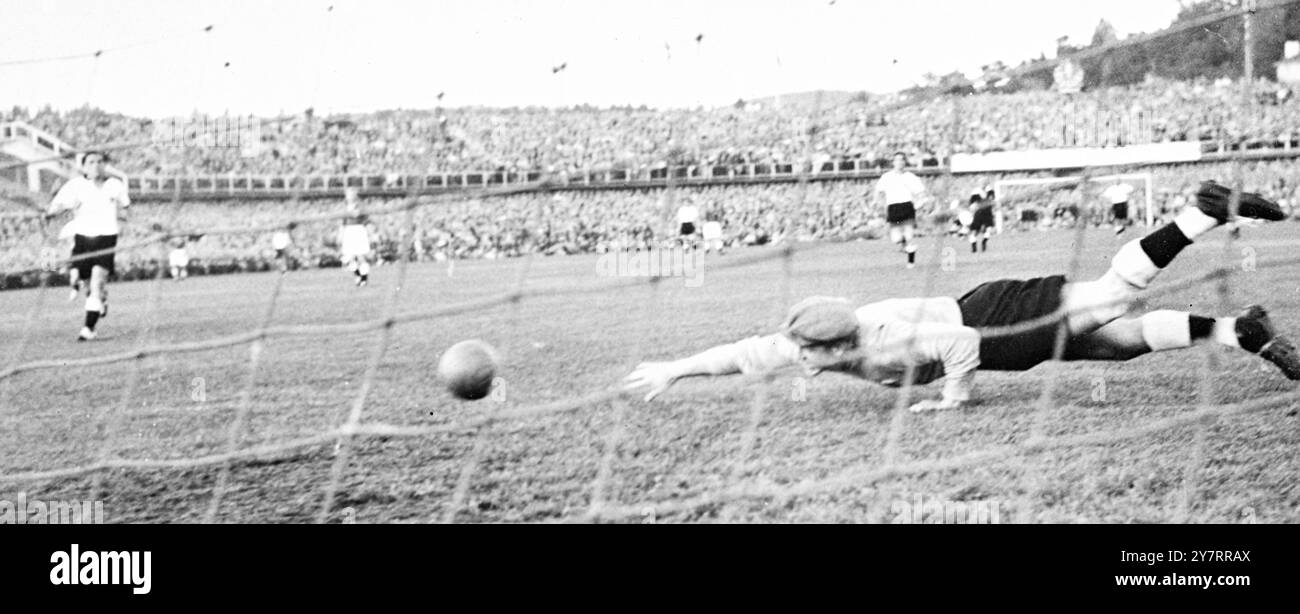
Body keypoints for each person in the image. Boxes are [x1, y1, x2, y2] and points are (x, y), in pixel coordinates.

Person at [624, 181, 1299, 411]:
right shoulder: (819, 337)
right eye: (799, 351)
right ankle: (1242, 330)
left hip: (997, 321)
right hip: (991, 316)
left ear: (840, 343)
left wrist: (951, 401)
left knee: (1114, 298)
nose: (797, 362)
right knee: (1115, 347)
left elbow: (960, 344)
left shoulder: (883, 337)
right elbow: (743, 355)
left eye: (807, 354)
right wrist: (675, 370)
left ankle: (1202, 214)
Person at [46, 151, 129, 341]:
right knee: (83, 282)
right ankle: (100, 299)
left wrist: (123, 218)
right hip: (82, 239)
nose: (96, 165)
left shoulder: (115, 185)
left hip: (107, 238)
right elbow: (58, 205)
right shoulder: (75, 186)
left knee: (97, 281)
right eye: (91, 162)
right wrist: (51, 213)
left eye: (100, 161)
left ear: (105, 164)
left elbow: (125, 206)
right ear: (84, 166)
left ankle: (88, 328)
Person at [874, 152, 927, 268]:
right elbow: (878, 192)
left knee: (909, 235)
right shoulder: (887, 177)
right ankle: (904, 245)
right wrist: (878, 204)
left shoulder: (910, 177)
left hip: (907, 206)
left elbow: (921, 192)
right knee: (896, 238)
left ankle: (911, 262)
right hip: (893, 208)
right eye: (897, 160)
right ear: (893, 162)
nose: (899, 162)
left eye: (902, 160)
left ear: (905, 162)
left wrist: (919, 204)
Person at [338, 188, 372, 286]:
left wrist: (371, 234)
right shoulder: (344, 208)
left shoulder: (360, 207)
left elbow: (366, 221)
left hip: (359, 231)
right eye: (348, 194)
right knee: (348, 257)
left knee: (361, 256)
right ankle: (358, 275)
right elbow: (343, 223)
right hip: (349, 232)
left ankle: (364, 279)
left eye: (352, 194)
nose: (350, 196)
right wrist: (340, 235)